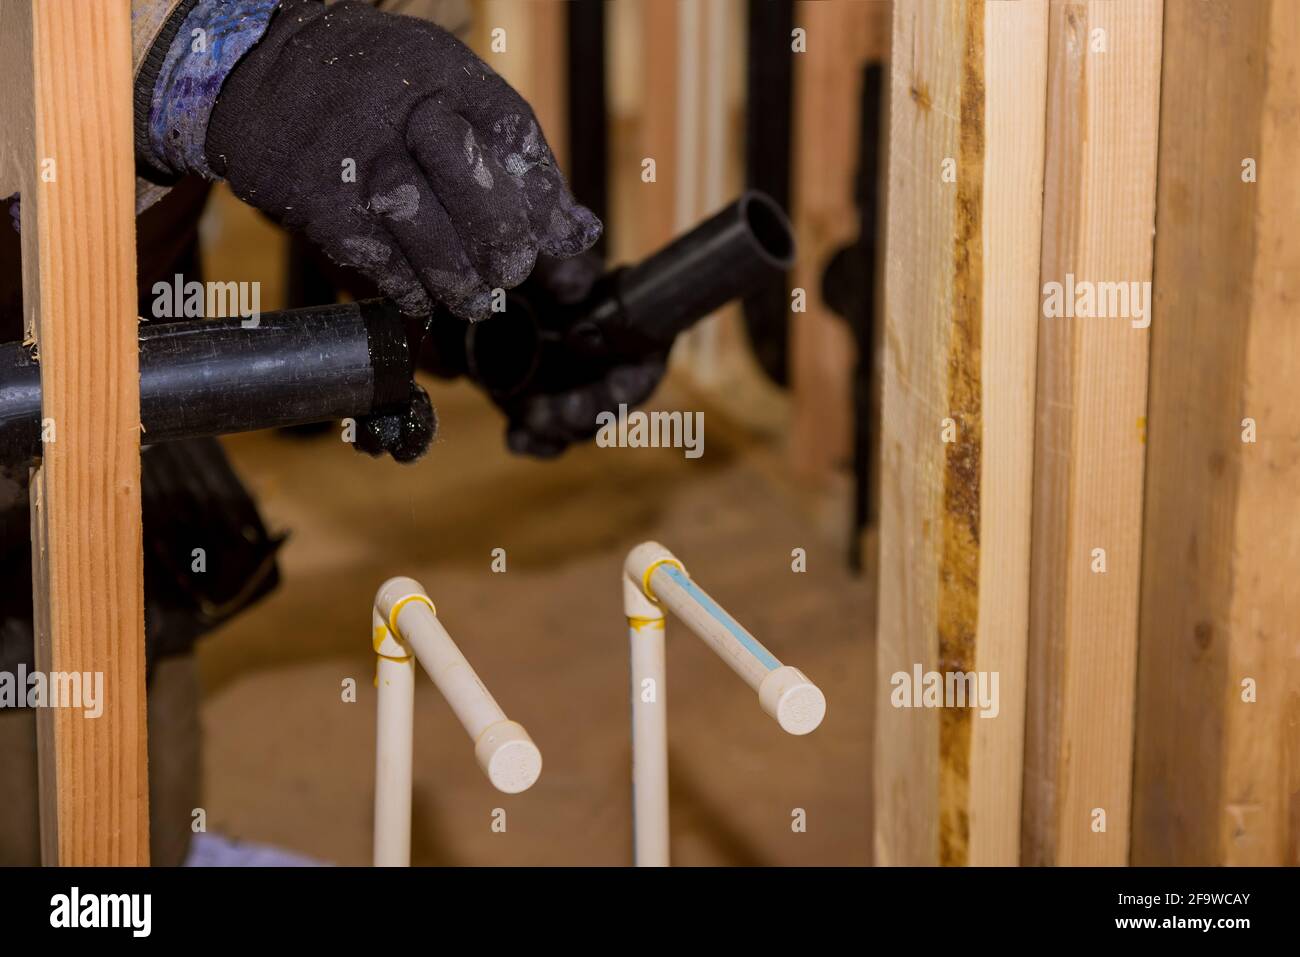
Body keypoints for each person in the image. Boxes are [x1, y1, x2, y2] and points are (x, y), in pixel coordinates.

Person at [0, 0, 663, 864]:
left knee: (130, 824)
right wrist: (204, 62)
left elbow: (348, 58)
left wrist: (470, 284)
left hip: (111, 348)